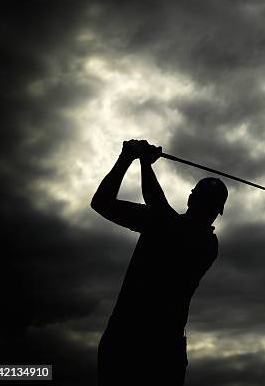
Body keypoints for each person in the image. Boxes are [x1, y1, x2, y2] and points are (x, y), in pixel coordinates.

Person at [91, 139, 227, 385]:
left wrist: (142, 161)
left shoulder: (207, 244)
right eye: (204, 202)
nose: (204, 210)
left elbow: (161, 211)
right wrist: (125, 159)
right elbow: (101, 202)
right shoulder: (160, 220)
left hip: (156, 349)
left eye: (207, 204)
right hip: (131, 342)